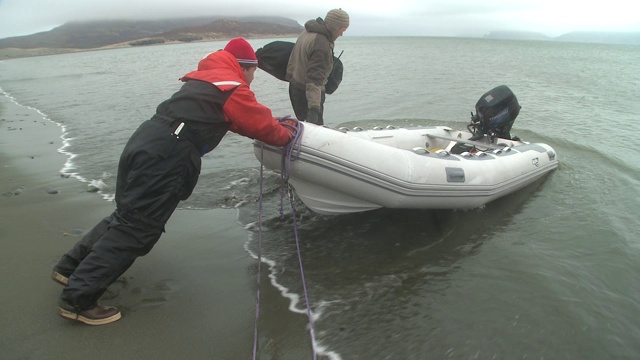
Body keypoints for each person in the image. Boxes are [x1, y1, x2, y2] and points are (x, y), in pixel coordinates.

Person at [51, 37, 297, 326]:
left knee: (127, 215)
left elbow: (235, 120)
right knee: (138, 228)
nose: (254, 78)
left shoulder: (207, 80)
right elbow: (261, 126)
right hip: (167, 156)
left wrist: (272, 124)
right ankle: (78, 300)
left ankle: (70, 269)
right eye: (253, 71)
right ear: (244, 68)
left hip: (146, 141)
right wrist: (287, 133)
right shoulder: (232, 87)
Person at [286, 8, 349, 125]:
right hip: (309, 96)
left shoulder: (306, 33)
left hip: (295, 88)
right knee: (314, 131)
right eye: (342, 29)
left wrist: (290, 78)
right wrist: (314, 110)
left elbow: (292, 60)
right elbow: (314, 80)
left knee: (303, 128)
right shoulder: (322, 44)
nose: (342, 34)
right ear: (335, 26)